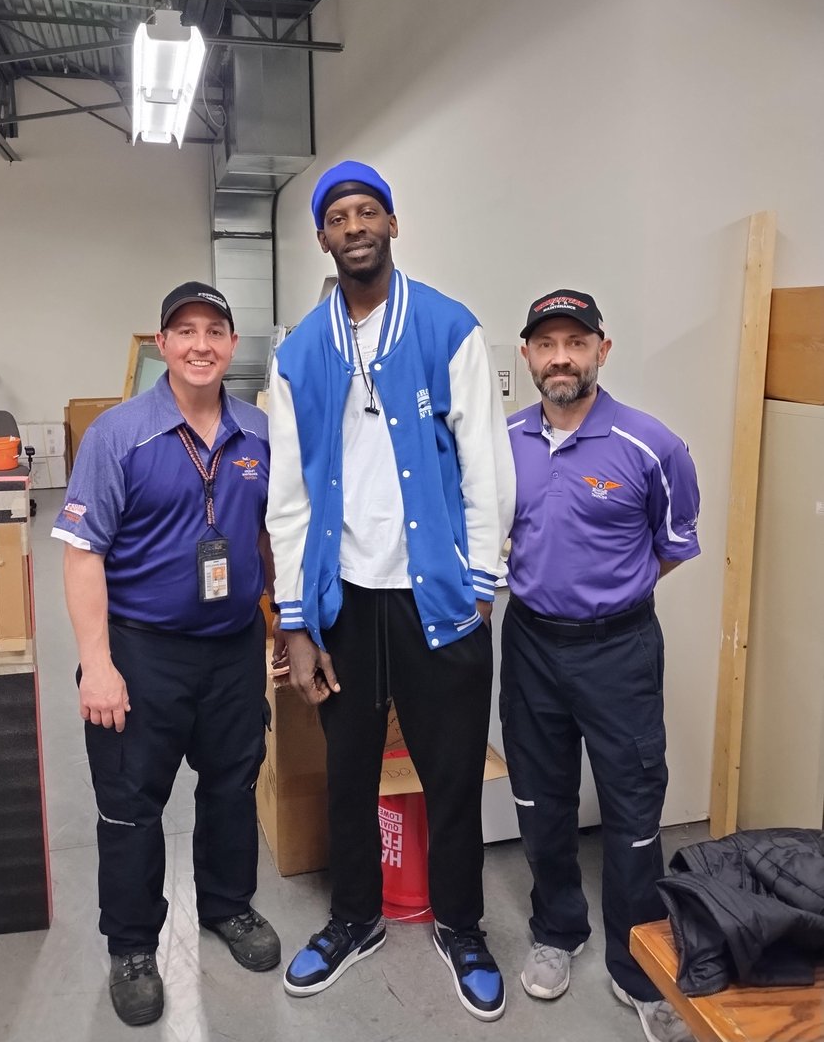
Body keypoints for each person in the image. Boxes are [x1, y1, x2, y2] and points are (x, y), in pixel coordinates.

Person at [265, 160, 516, 1021]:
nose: (355, 224)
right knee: (350, 771)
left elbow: (488, 463)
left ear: (393, 226)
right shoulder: (298, 352)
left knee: (450, 769)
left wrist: (479, 586)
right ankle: (354, 917)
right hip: (344, 601)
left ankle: (462, 924)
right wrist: (296, 625)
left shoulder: (449, 329)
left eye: (369, 210)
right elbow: (289, 499)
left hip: (437, 597)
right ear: (323, 237)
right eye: (338, 215)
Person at [52, 281, 281, 1027]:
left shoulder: (258, 433)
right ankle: (132, 945)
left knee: (231, 786)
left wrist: (279, 623)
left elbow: (268, 537)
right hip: (142, 651)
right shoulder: (120, 434)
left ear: (232, 344)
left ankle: (227, 907)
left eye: (215, 330)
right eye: (185, 331)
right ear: (161, 345)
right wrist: (99, 663)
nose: (201, 344)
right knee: (130, 805)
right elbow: (83, 555)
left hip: (232, 648)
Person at [501, 289, 701, 1042]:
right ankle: (558, 931)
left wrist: (609, 596)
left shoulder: (652, 445)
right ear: (527, 355)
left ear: (601, 351)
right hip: (529, 646)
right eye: (546, 343)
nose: (561, 357)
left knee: (633, 810)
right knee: (540, 798)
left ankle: (638, 964)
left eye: (575, 343)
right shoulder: (503, 441)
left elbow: (674, 545)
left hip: (618, 651)